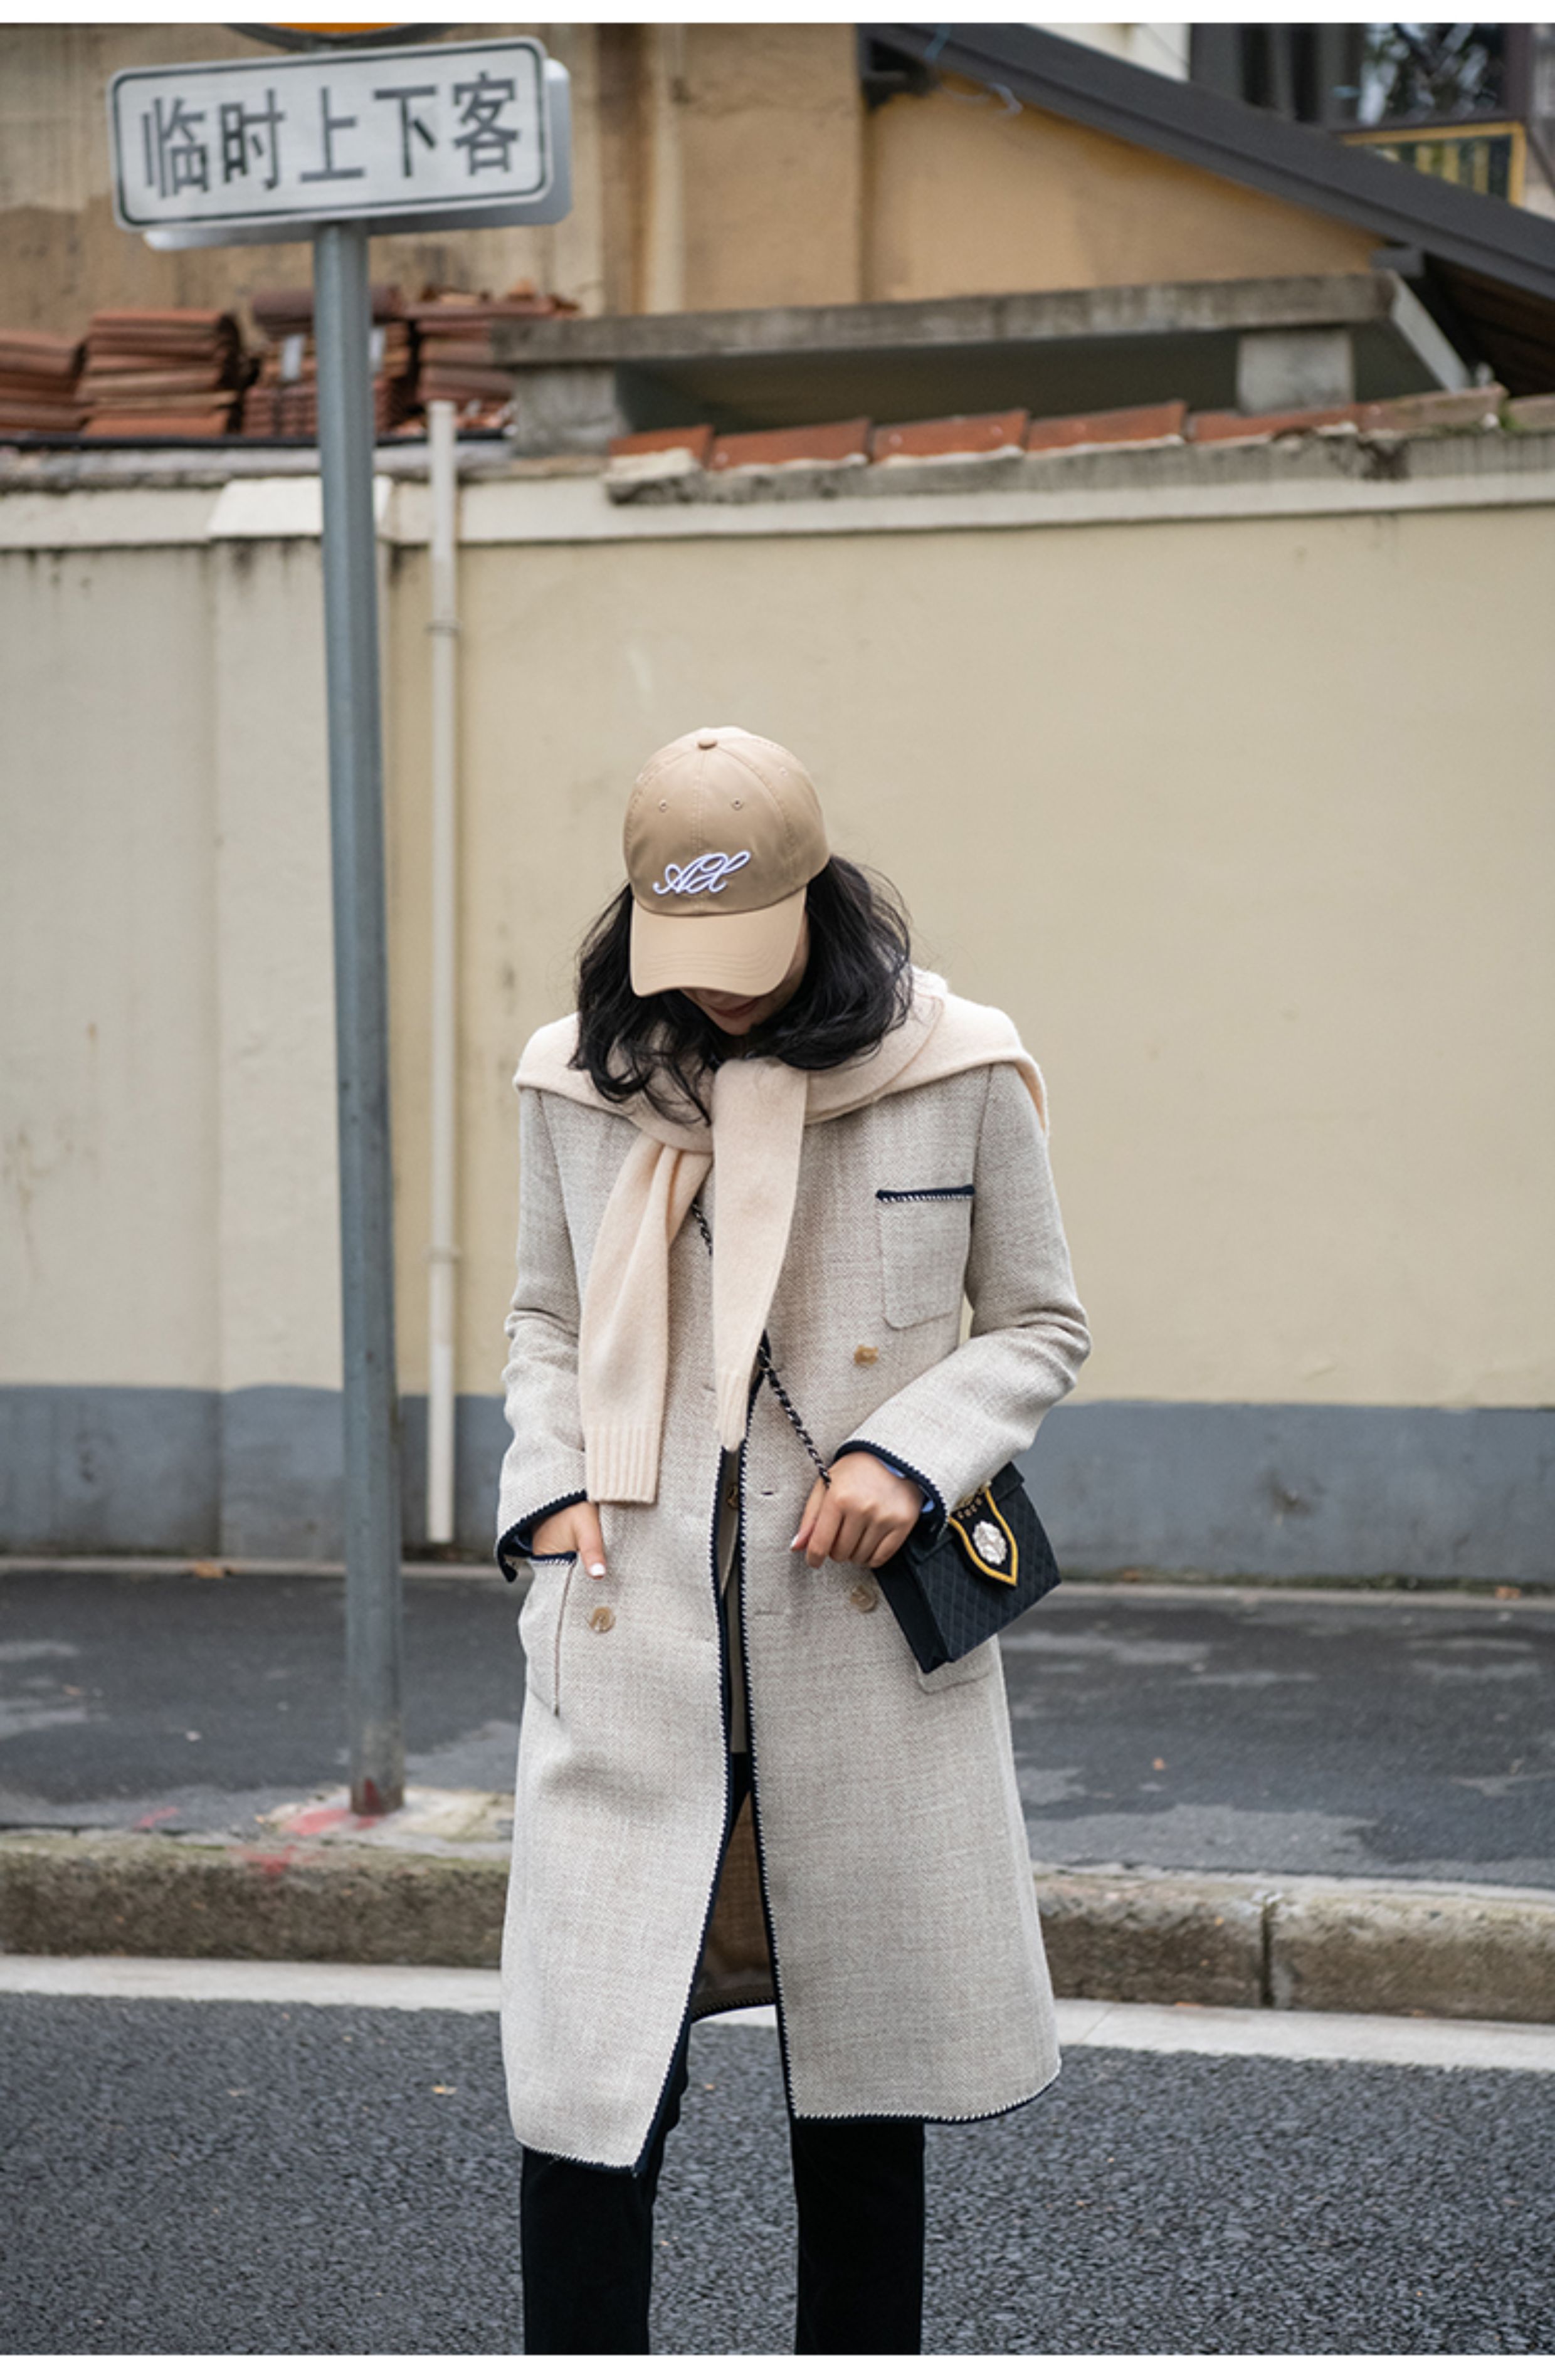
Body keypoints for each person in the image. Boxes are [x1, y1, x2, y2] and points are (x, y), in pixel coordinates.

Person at [493, 725, 1090, 2354]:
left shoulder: (957, 1069)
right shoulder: (577, 1080)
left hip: (850, 1639)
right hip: (630, 1630)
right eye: (684, 949)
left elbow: (1038, 1324)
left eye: (746, 947)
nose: (717, 988)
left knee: (862, 2098)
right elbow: (545, 1321)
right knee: (594, 2091)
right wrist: (550, 1491)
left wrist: (914, 1451)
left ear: (818, 902)